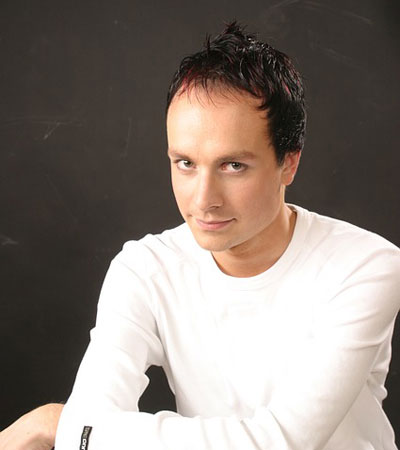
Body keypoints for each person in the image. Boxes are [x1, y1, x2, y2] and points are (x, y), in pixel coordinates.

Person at [1, 21, 400, 450]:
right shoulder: (145, 269)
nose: (204, 200)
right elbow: (89, 428)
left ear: (289, 162)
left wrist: (56, 423)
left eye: (233, 166)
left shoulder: (367, 267)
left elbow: (279, 442)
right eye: (186, 163)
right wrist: (80, 429)